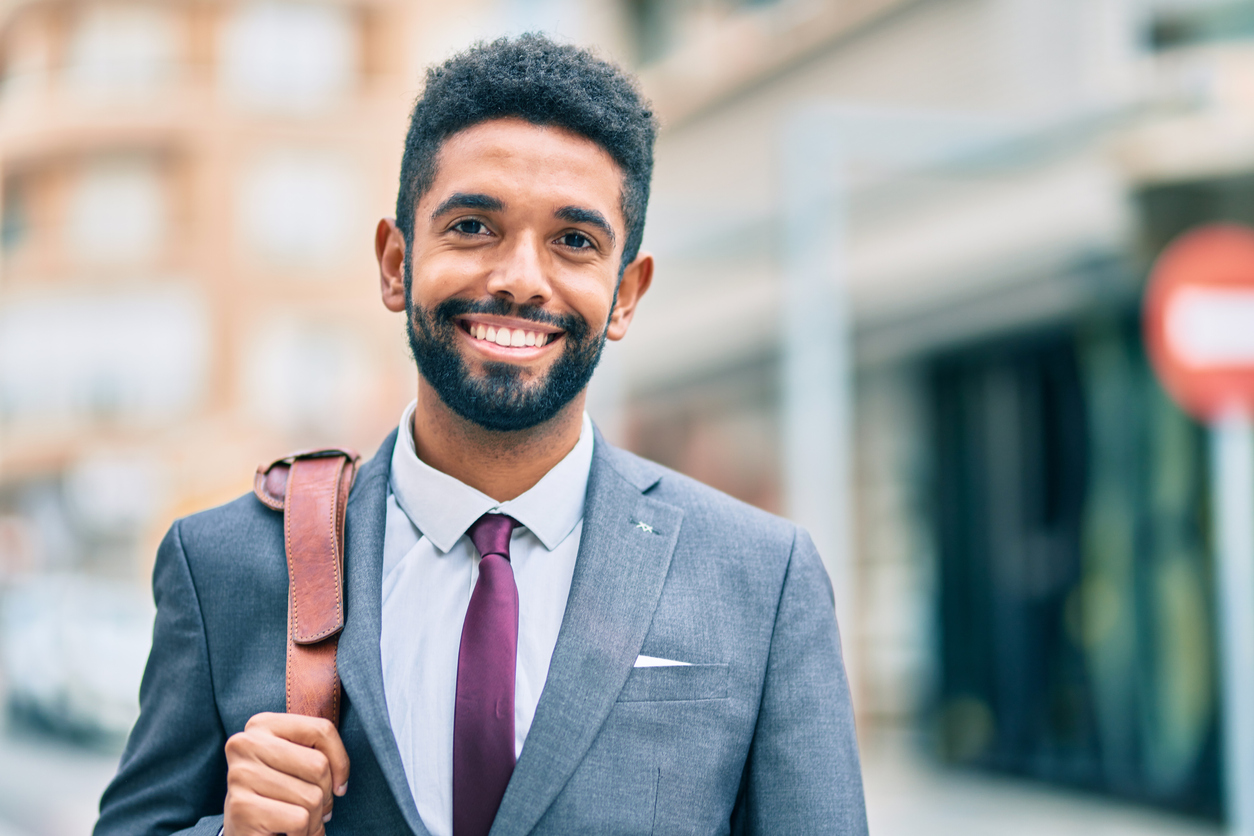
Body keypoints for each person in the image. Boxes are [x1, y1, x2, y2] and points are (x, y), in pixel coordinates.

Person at [94, 34, 867, 836]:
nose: (518, 279)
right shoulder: (225, 564)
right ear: (396, 263)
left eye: (574, 241)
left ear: (627, 294)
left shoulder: (761, 580)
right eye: (472, 226)